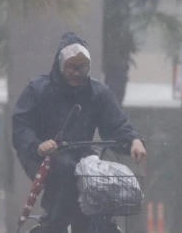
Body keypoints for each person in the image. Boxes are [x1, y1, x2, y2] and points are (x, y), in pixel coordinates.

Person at [12, 32, 147, 233]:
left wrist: (133, 140)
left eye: (82, 68)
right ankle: (55, 223)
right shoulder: (38, 89)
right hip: (42, 157)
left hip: (82, 157)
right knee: (66, 171)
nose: (76, 73)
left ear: (89, 68)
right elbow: (21, 126)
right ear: (60, 66)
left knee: (97, 178)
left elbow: (116, 124)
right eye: (71, 68)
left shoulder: (98, 93)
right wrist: (38, 145)